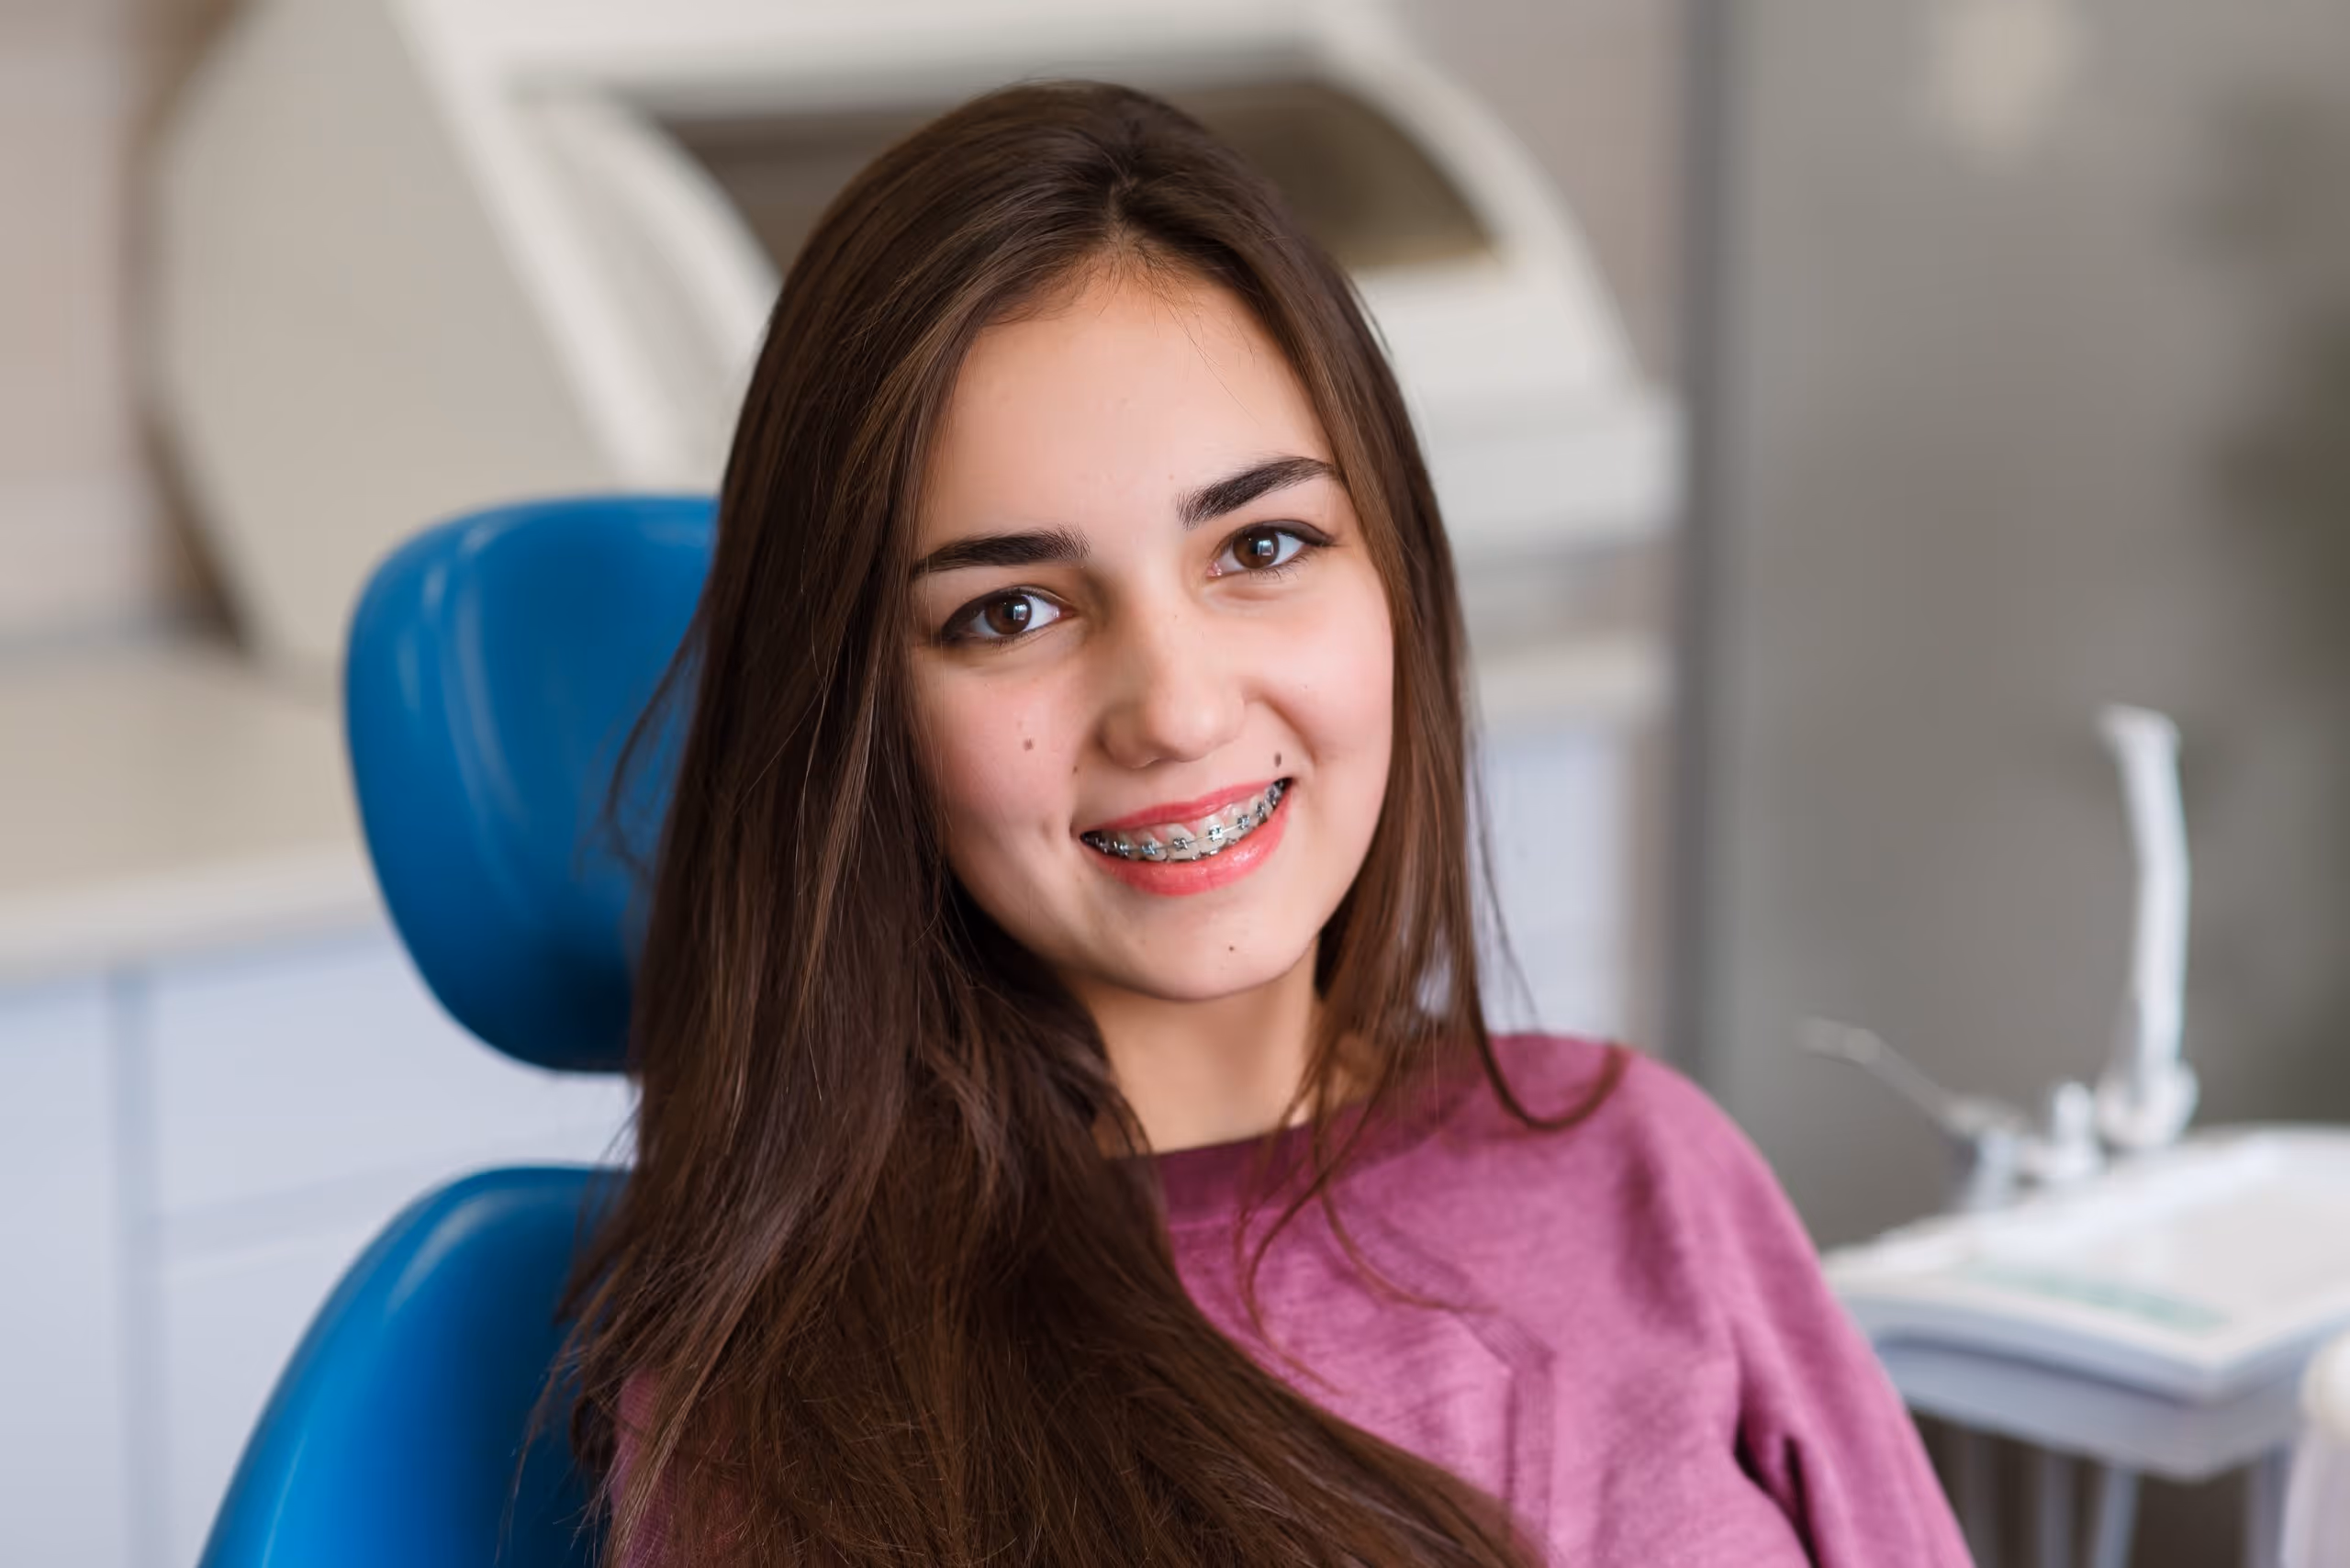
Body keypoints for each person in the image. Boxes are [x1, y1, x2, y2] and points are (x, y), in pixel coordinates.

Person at [554, 80, 1972, 1568]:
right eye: (1012, 610)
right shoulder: (793, 1401)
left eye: (1265, 544)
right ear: (860, 718)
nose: (1174, 707)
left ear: (1396, 579)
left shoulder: (1642, 1164)